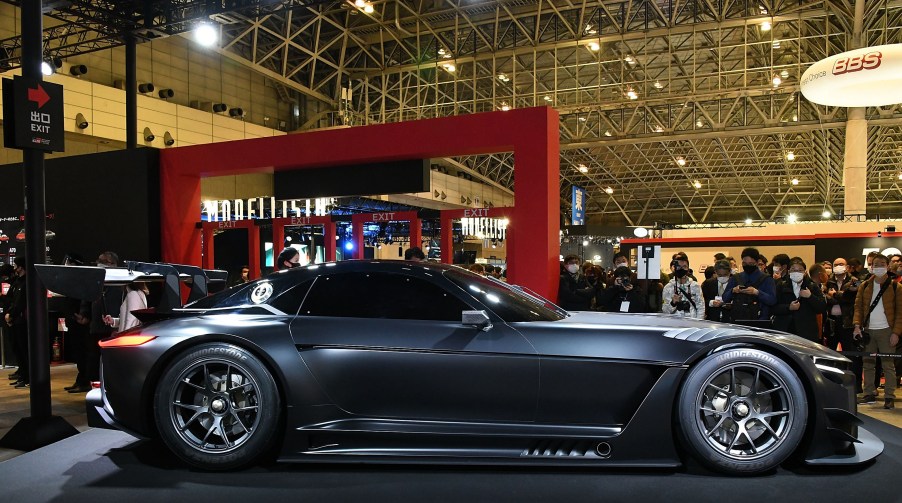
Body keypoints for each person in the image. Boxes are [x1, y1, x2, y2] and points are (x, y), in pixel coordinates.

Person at [853, 254, 902, 409]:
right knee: (868, 364)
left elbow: (901, 312)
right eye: (875, 264)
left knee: (888, 365)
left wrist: (896, 332)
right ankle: (868, 393)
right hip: (868, 330)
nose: (878, 267)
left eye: (882, 264)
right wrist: (856, 326)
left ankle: (889, 396)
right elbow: (858, 308)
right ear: (871, 267)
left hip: (887, 331)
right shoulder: (865, 286)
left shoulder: (896, 287)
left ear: (887, 266)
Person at [75, 251, 121, 391]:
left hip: (113, 330)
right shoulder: (96, 279)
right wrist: (84, 315)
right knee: (94, 360)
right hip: (96, 327)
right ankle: (95, 387)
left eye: (102, 261)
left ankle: (109, 389)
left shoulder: (121, 281)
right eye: (98, 260)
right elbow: (87, 298)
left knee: (110, 362)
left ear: (112, 264)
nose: (98, 263)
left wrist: (116, 324)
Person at [825, 257, 863, 392]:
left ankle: (856, 386)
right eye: (835, 264)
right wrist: (839, 296)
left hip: (848, 323)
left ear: (847, 267)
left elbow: (851, 299)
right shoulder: (827, 281)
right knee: (828, 355)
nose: (838, 266)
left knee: (852, 355)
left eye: (841, 264)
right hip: (831, 323)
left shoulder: (854, 281)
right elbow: (825, 299)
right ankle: (829, 385)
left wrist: (835, 295)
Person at [772, 258, 826, 343]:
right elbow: (773, 307)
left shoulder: (812, 286)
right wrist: (788, 307)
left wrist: (810, 296)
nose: (797, 272)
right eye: (793, 270)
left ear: (805, 272)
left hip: (807, 332)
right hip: (785, 331)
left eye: (800, 270)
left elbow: (821, 307)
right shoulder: (781, 286)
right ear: (789, 272)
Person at [722, 247, 777, 326]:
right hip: (738, 320)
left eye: (751, 264)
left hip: (759, 320)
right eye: (744, 263)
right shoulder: (736, 278)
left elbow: (772, 300)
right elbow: (725, 298)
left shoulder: (766, 279)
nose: (747, 266)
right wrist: (733, 291)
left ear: (757, 262)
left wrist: (757, 292)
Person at [5, 257, 28, 388]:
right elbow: (11, 299)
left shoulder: (25, 283)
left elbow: (20, 302)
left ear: (20, 267)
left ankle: (27, 377)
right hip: (15, 320)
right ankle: (23, 376)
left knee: (24, 350)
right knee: (18, 349)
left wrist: (11, 314)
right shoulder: (17, 282)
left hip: (21, 321)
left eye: (16, 266)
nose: (14, 268)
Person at [662, 253, 704, 319]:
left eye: (684, 266)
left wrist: (698, 323)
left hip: (692, 322)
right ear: (675, 268)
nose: (681, 269)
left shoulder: (695, 286)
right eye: (679, 267)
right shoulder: (668, 287)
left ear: (688, 268)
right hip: (675, 322)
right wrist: (673, 303)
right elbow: (665, 311)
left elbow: (701, 307)